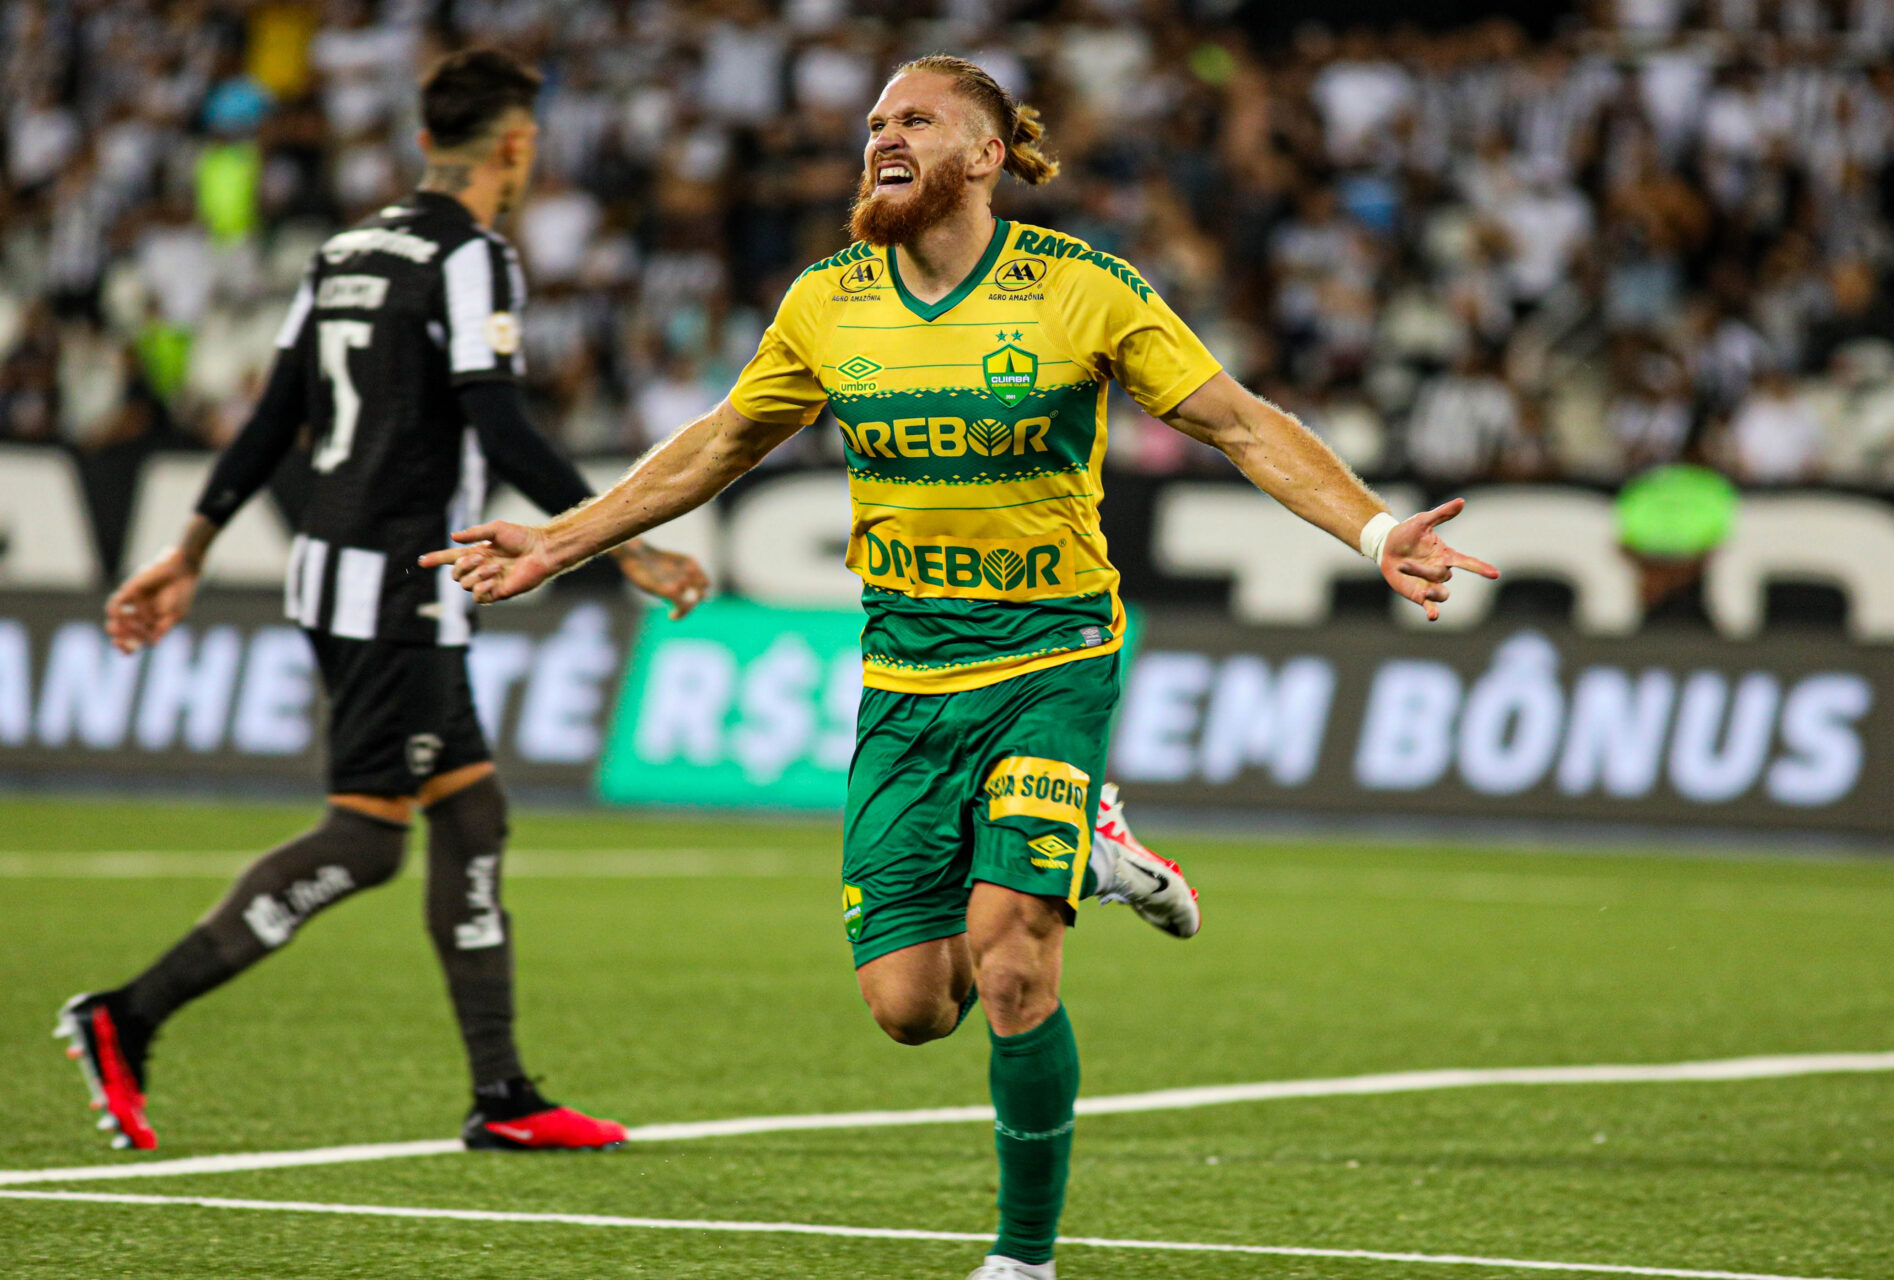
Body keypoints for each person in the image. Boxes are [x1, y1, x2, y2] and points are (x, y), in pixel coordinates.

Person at [425, 55, 1495, 1279]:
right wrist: (560, 541)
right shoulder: (827, 302)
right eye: (875, 121)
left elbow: (1238, 421)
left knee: (1011, 960)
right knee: (911, 1007)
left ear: (985, 157)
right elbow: (722, 442)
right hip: (906, 677)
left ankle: (1022, 1259)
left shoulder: (1081, 287)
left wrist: (1374, 529)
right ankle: (1096, 850)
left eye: (916, 120)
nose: (884, 136)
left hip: (1053, 657)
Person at [58, 49, 709, 1155]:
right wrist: (610, 536)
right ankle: (126, 1015)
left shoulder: (346, 249)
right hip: (402, 580)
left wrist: (188, 548)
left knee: (472, 812)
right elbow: (498, 424)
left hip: (341, 570)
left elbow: (273, 417)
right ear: (516, 144)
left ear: (423, 141)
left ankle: (502, 1094)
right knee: (365, 840)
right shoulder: (473, 257)